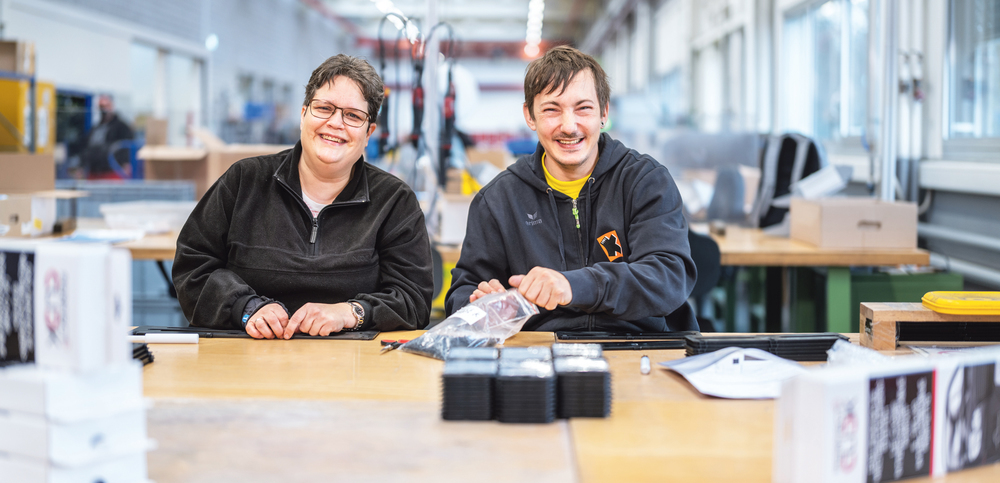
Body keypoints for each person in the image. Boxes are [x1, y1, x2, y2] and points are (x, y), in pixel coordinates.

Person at [173, 54, 434, 339]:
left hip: (350, 367)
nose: (336, 123)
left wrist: (351, 312)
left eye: (353, 116)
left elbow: (413, 301)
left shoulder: (394, 201)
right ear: (303, 115)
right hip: (246, 357)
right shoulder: (243, 182)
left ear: (369, 132)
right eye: (324, 108)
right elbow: (193, 266)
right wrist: (244, 306)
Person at [444, 46, 698, 333]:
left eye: (583, 108)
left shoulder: (645, 182)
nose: (568, 126)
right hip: (538, 354)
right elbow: (461, 294)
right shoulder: (498, 200)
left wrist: (573, 285)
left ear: (603, 111)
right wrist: (481, 305)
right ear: (530, 116)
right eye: (552, 109)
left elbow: (668, 279)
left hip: (636, 346)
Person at [71, 95, 135, 179]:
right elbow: (86, 148)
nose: (104, 109)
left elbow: (127, 146)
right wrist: (81, 166)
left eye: (106, 106)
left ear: (112, 106)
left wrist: (125, 163)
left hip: (112, 172)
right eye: (101, 106)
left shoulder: (122, 127)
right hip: (94, 172)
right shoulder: (94, 129)